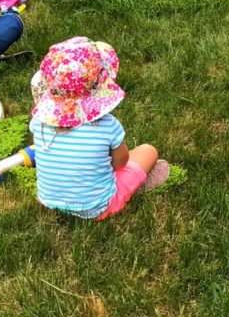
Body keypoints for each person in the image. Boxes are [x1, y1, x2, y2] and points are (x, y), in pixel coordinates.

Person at [30, 37, 170, 219]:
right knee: (147, 151)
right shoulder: (108, 125)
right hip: (99, 208)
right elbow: (120, 163)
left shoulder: (38, 122)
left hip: (48, 202)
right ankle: (131, 188)